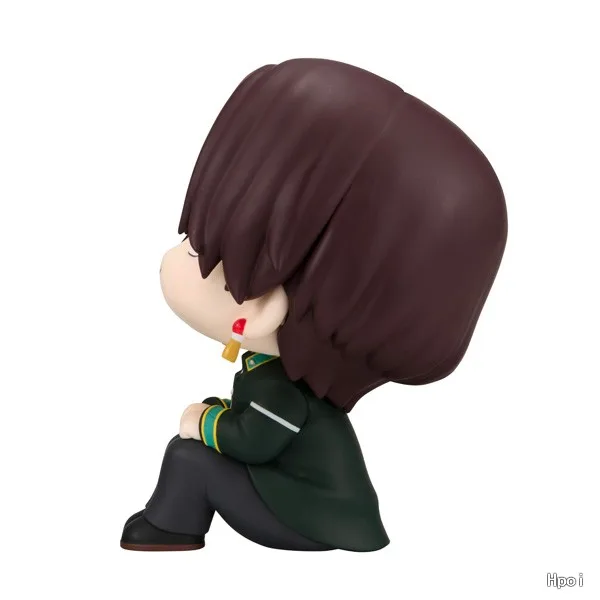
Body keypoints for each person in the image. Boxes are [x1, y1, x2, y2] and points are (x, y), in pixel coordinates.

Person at [120, 58, 508, 552]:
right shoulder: (278, 381)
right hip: (304, 503)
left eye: (198, 248)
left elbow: (252, 442)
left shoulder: (281, 392)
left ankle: (170, 527)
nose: (175, 257)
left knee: (188, 456)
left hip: (307, 518)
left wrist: (203, 422)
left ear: (259, 308)